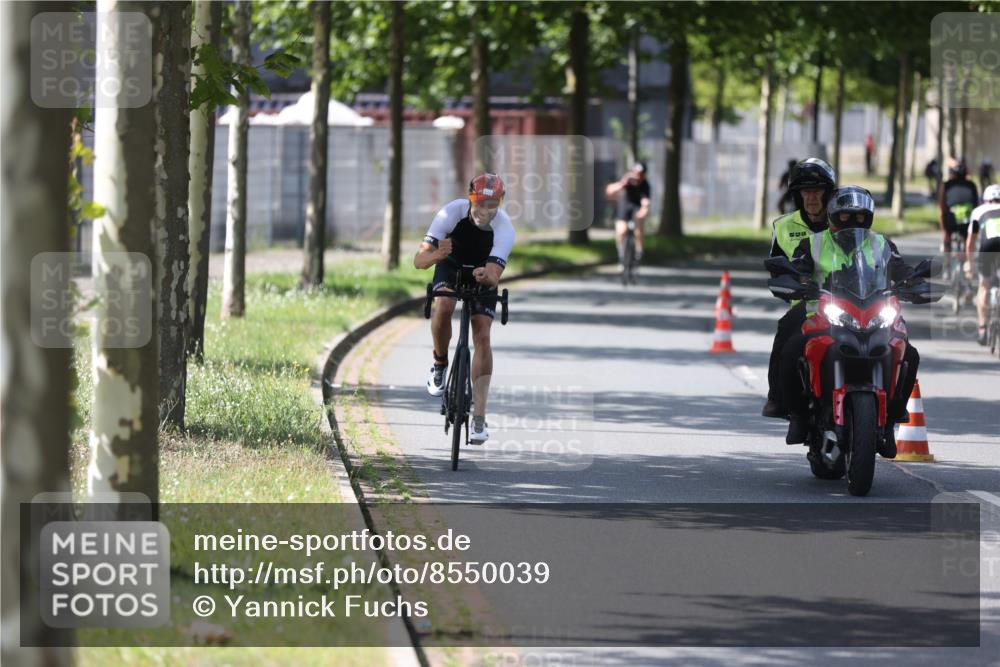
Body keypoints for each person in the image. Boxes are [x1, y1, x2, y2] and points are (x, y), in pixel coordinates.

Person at [779, 186, 921, 457]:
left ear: (867, 218)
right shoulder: (813, 243)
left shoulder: (882, 244)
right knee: (790, 350)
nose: (851, 222)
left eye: (858, 217)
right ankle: (798, 416)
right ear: (833, 215)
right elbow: (796, 270)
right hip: (823, 315)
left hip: (875, 313)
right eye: (844, 216)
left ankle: (891, 417)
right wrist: (798, 281)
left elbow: (903, 271)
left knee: (910, 354)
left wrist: (914, 282)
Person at [414, 173, 515, 444]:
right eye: (479, 203)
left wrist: (488, 276)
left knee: (482, 335)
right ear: (470, 198)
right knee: (443, 305)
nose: (485, 210)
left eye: (492, 205)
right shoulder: (450, 213)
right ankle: (439, 364)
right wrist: (437, 254)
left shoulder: (505, 228)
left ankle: (479, 418)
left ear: (500, 203)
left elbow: (495, 273)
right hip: (450, 265)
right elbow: (419, 260)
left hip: (484, 271)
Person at [761, 157, 837, 419]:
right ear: (797, 194)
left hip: (851, 301)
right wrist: (793, 284)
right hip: (807, 305)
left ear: (829, 193)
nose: (812, 197)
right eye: (806, 191)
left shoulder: (844, 221)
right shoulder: (782, 226)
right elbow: (777, 267)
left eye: (817, 191)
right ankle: (778, 397)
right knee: (785, 334)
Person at [966, 183, 1000, 345]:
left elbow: (970, 243)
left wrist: (970, 263)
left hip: (987, 248)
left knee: (984, 286)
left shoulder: (978, 211)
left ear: (985, 199)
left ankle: (982, 328)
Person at [605, 162, 650, 269]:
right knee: (621, 230)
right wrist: (622, 184)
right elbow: (609, 191)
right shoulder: (626, 179)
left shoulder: (645, 185)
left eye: (640, 174)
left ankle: (639, 251)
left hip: (637, 207)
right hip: (625, 206)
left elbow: (645, 202)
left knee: (638, 225)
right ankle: (621, 253)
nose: (638, 176)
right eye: (636, 173)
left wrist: (643, 212)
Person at [939, 157, 979, 256]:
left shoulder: (946, 185)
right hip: (968, 220)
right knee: (968, 240)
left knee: (946, 235)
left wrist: (945, 231)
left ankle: (946, 260)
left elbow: (942, 205)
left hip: (950, 220)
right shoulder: (972, 185)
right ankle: (969, 261)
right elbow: (976, 204)